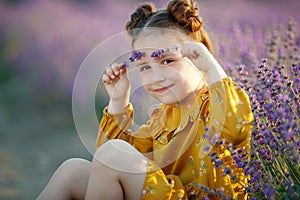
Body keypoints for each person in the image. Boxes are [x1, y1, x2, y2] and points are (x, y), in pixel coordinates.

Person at [37, 0, 253, 199]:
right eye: (145, 67)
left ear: (198, 56)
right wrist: (118, 100)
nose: (155, 77)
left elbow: (235, 128)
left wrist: (211, 67)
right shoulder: (162, 118)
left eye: (168, 60)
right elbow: (104, 165)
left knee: (113, 155)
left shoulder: (216, 105)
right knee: (73, 170)